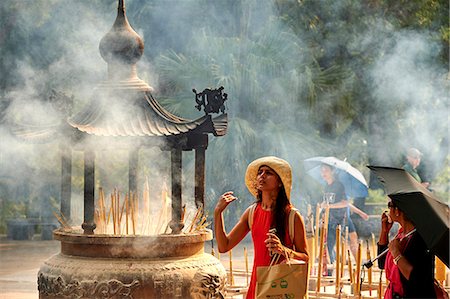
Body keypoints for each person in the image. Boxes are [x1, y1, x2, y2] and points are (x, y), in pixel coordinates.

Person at [214, 156, 309, 299]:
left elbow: (306, 258)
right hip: (258, 286)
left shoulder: (292, 216)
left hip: (283, 287)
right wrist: (218, 213)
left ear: (280, 182)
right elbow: (224, 246)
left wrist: (284, 250)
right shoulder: (251, 212)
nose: (262, 176)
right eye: (260, 172)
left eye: (269, 173)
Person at [377, 200, 436, 298]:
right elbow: (382, 263)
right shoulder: (401, 234)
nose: (387, 210)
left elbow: (417, 279)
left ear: (397, 210)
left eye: (389, 206)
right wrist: (384, 232)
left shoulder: (420, 239)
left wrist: (396, 253)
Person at [320, 164, 368, 266]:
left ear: (332, 172)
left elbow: (345, 203)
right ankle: (331, 268)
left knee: (353, 240)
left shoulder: (339, 185)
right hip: (332, 219)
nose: (323, 173)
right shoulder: (326, 187)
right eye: (322, 171)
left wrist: (360, 212)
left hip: (343, 217)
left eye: (326, 170)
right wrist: (324, 210)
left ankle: (359, 265)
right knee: (329, 245)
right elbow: (329, 204)